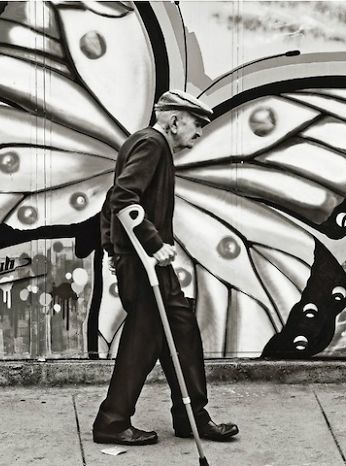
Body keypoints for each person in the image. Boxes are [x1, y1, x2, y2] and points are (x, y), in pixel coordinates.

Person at [92, 90, 239, 446]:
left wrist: (112, 247)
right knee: (143, 340)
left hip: (142, 261)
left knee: (182, 332)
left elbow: (112, 200)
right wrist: (152, 243)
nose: (200, 131)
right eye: (196, 123)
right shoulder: (152, 144)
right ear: (174, 121)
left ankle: (192, 417)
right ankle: (111, 421)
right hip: (144, 262)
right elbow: (123, 197)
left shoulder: (143, 142)